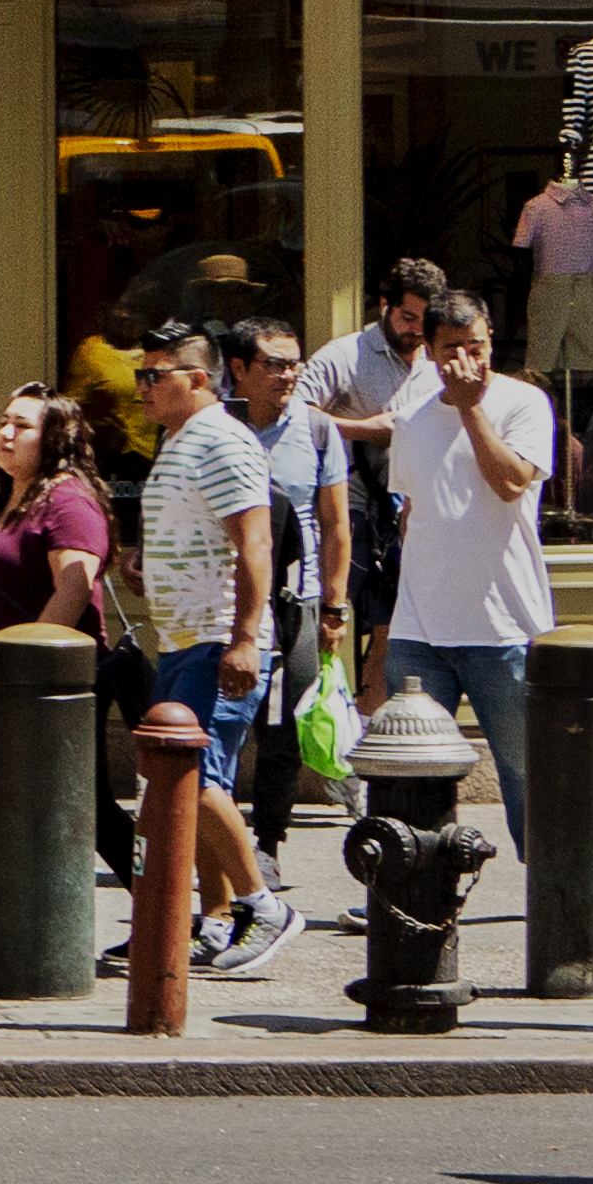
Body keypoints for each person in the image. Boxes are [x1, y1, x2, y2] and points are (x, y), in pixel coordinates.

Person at [120, 332, 296, 975]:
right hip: (182, 636)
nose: (140, 387)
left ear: (197, 379)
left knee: (194, 781)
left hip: (217, 636)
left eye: (153, 375)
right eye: (140, 375)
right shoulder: (179, 439)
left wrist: (246, 638)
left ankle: (262, 905)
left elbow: (254, 542)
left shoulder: (221, 438)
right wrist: (148, 557)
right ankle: (216, 920)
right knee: (182, 779)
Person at [381, 289, 561, 855]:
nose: (468, 361)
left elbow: (511, 483)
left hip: (503, 626)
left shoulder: (524, 403)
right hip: (420, 629)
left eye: (478, 347)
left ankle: (553, 894)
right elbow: (411, 513)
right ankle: (408, 890)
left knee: (527, 772)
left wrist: (470, 407)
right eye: (453, 348)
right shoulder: (410, 419)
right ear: (430, 351)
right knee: (408, 774)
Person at [0, 382, 107, 955]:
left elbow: (74, 590)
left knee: (88, 804)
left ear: (56, 436)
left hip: (36, 686)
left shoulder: (67, 500)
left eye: (22, 426)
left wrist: (30, 669)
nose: (5, 434)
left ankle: (170, 907)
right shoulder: (16, 496)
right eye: (3, 422)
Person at [224, 322, 345, 892]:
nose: (289, 374)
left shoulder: (319, 430)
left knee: (284, 729)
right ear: (239, 369)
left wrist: (335, 606)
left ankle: (268, 843)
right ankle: (211, 844)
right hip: (223, 597)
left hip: (296, 600)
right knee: (214, 721)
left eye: (294, 363)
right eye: (274, 363)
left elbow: (336, 524)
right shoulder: (208, 430)